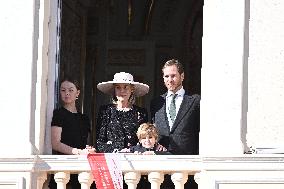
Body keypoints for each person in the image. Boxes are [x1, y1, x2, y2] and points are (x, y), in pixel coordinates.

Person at [150, 59, 200, 189]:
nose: (170, 79)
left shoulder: (195, 101)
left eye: (173, 75)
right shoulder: (156, 102)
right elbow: (151, 131)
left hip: (188, 166)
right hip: (161, 166)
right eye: (166, 76)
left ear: (182, 76)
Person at [49, 76, 96, 189]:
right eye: (63, 90)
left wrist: (89, 149)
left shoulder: (84, 118)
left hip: (82, 167)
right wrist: (78, 152)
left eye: (71, 90)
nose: (67, 93)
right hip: (64, 165)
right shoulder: (59, 114)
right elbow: (55, 143)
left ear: (77, 93)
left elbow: (86, 141)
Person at [96, 72, 149, 153]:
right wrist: (116, 151)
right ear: (114, 90)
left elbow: (144, 140)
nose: (122, 91)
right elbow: (99, 142)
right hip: (112, 159)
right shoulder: (105, 111)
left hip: (134, 158)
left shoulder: (141, 113)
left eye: (125, 87)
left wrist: (132, 150)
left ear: (132, 89)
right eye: (118, 87)